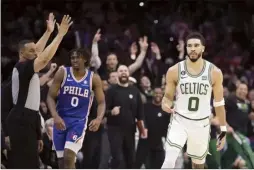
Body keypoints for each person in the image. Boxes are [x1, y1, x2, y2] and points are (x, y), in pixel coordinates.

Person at [5, 13, 73, 169]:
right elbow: (43, 58)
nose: (36, 54)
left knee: (30, 163)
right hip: (21, 120)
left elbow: (36, 51)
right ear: (21, 53)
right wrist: (60, 35)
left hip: (28, 119)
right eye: (32, 52)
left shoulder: (24, 66)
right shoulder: (23, 68)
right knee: (24, 164)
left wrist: (48, 32)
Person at [161, 32, 227, 169]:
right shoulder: (174, 70)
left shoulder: (214, 72)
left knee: (198, 166)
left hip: (201, 123)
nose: (192, 48)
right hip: (179, 120)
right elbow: (167, 97)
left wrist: (223, 130)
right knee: (169, 160)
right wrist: (165, 104)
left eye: (196, 45)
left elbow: (219, 104)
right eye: (189, 46)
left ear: (203, 48)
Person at [47, 48, 106, 169]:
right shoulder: (62, 72)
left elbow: (101, 102)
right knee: (61, 162)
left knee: (69, 156)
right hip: (61, 121)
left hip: (78, 122)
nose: (74, 60)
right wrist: (55, 116)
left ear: (84, 60)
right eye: (72, 58)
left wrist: (99, 119)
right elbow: (50, 97)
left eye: (77, 57)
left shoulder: (93, 78)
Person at [105, 65, 147, 168]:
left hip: (130, 130)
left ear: (128, 74)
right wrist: (111, 112)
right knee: (117, 158)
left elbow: (140, 113)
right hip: (114, 129)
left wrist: (143, 129)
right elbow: (102, 111)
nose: (123, 73)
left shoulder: (135, 91)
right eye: (121, 71)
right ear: (117, 74)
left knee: (130, 159)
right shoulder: (111, 90)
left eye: (125, 71)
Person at [134, 87, 170, 169]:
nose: (158, 95)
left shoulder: (166, 109)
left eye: (160, 93)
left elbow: (169, 125)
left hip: (158, 143)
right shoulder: (145, 106)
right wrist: (143, 128)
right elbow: (140, 119)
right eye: (156, 93)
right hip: (145, 141)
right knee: (138, 163)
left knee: (159, 164)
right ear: (152, 94)